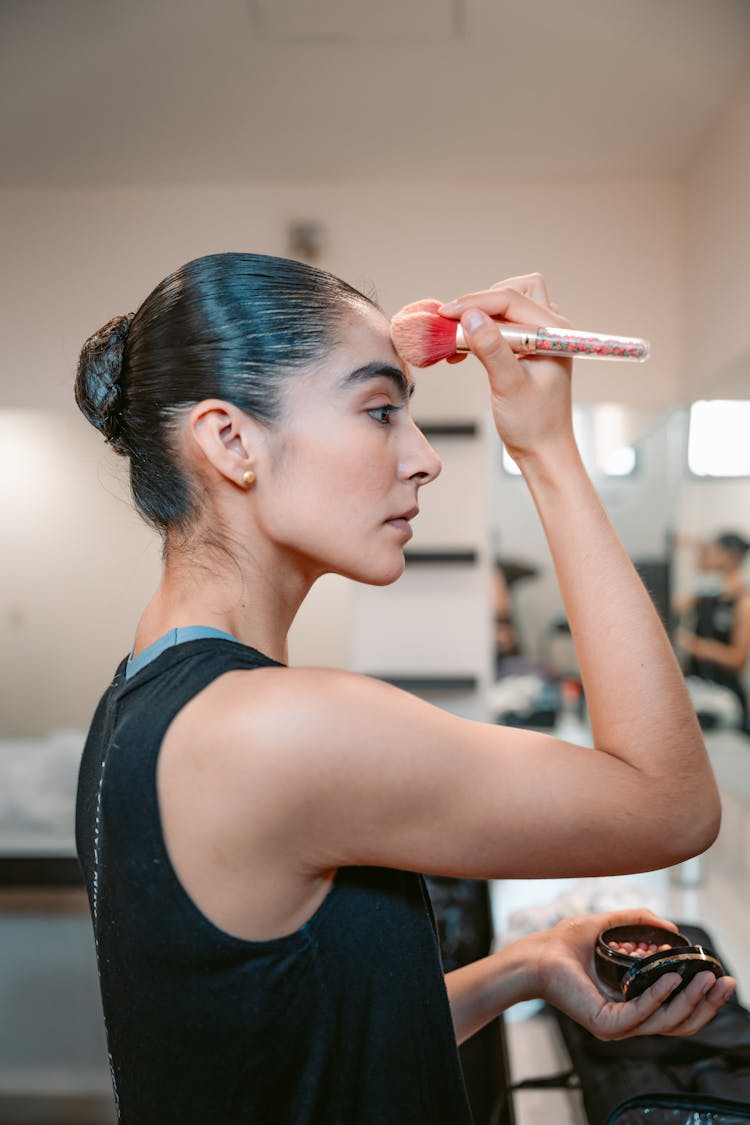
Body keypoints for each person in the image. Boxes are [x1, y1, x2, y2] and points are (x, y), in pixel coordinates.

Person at [74, 255, 730, 1125]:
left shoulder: (139, 699)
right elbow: (672, 805)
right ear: (231, 441)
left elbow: (291, 1051)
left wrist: (523, 964)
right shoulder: (279, 729)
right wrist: (547, 453)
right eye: (381, 410)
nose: (423, 458)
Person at [675, 531, 750, 731]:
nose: (708, 555)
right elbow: (671, 607)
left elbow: (737, 659)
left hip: (724, 697)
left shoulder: (743, 601)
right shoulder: (706, 594)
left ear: (731, 557)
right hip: (696, 689)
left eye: (715, 551)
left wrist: (695, 646)